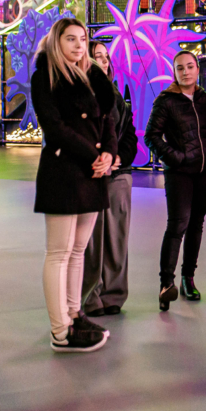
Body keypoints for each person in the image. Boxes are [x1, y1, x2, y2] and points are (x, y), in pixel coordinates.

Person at [31, 18, 118, 353]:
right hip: (64, 170)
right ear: (56, 41)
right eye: (70, 39)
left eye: (82, 39)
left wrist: (108, 153)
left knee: (78, 250)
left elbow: (108, 120)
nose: (79, 45)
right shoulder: (45, 76)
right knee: (59, 252)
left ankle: (74, 314)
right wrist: (94, 156)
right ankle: (60, 331)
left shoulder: (94, 76)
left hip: (93, 172)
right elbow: (54, 128)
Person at [146, 50, 206, 310]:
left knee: (196, 225)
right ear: (174, 72)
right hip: (179, 173)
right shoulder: (166, 101)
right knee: (178, 224)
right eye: (180, 68)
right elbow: (151, 136)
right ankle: (166, 284)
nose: (186, 71)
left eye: (190, 66)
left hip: (205, 171)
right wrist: (176, 158)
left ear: (198, 69)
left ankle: (188, 279)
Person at [82, 42, 138, 317]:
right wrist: (100, 158)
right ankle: (90, 297)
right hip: (90, 174)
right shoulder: (80, 95)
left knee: (116, 239)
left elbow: (130, 137)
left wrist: (117, 158)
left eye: (106, 57)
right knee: (91, 242)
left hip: (118, 175)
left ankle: (114, 295)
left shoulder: (117, 97)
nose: (103, 62)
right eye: (97, 57)